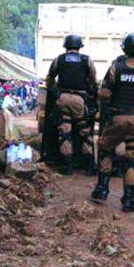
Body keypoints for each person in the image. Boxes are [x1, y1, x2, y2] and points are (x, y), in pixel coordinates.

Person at [91, 31, 134, 213]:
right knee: (132, 158)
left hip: (117, 118)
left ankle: (102, 189)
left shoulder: (116, 68)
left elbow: (104, 94)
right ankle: (129, 200)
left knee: (105, 148)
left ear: (125, 49)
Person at [44, 34, 98, 175]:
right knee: (85, 132)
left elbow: (49, 79)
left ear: (66, 46)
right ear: (79, 46)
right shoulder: (86, 60)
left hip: (62, 98)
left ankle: (68, 166)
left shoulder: (59, 59)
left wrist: (56, 92)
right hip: (79, 100)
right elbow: (93, 80)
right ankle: (89, 166)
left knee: (65, 132)